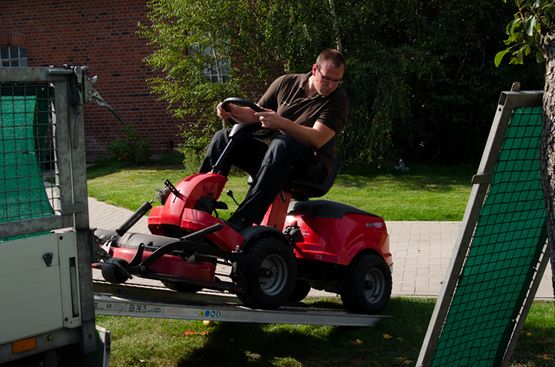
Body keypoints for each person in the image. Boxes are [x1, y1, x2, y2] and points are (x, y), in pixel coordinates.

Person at [199, 48, 348, 231]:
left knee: (282, 144)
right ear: (315, 69)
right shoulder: (286, 82)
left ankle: (243, 220)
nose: (331, 86)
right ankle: (199, 205)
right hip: (276, 158)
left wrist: (281, 123)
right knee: (224, 137)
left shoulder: (338, 100)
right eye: (326, 78)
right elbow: (256, 115)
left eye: (336, 81)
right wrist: (231, 110)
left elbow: (317, 138)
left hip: (313, 166)